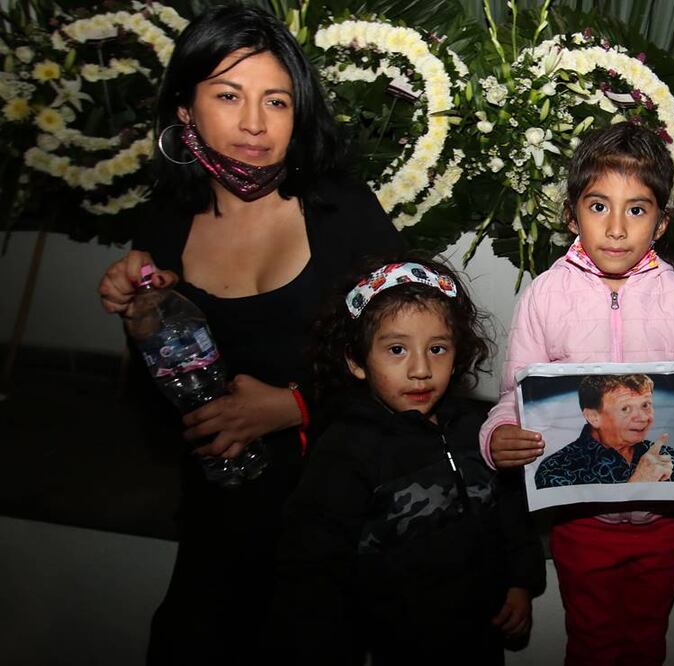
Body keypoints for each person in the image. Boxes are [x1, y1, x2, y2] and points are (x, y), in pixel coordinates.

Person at [96, 6, 402, 664]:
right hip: (217, 525)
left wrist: (293, 405)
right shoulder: (166, 220)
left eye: (276, 101)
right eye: (228, 97)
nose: (256, 125)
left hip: (331, 523)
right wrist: (141, 314)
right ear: (185, 109)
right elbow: (166, 398)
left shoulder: (343, 211)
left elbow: (416, 368)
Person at [480, 122, 674, 665]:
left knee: (645, 642)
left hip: (663, 522)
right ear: (571, 213)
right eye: (598, 207)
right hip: (580, 523)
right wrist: (498, 435)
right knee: (589, 642)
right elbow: (514, 398)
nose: (616, 228)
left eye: (636, 210)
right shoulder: (545, 296)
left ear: (661, 222)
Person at [273, 258, 546, 665]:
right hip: (399, 645)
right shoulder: (345, 451)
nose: (420, 370)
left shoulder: (476, 428)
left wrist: (519, 584)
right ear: (356, 360)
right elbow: (314, 572)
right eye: (396, 349)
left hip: (480, 636)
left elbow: (509, 511)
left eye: (437, 349)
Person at [534, 374, 674, 488]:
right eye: (625, 408)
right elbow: (572, 522)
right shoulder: (557, 468)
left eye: (645, 405)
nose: (643, 418)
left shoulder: (666, 457)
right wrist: (640, 482)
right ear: (593, 417)